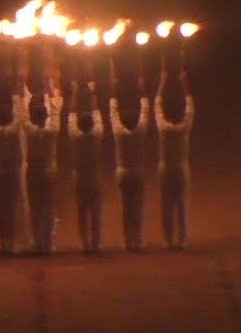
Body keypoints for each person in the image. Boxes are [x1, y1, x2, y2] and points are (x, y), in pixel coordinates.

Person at [0, 73, 28, 255]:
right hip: (11, 169)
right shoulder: (13, 127)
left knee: (0, 207)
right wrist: (17, 90)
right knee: (11, 206)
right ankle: (11, 241)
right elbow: (19, 112)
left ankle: (4, 242)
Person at [111, 67, 150, 252]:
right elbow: (145, 110)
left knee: (127, 207)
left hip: (123, 171)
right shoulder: (140, 130)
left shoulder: (119, 131)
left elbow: (113, 113)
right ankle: (138, 240)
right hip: (137, 170)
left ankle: (128, 241)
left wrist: (114, 89)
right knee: (137, 206)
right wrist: (142, 89)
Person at [24, 77, 63, 255]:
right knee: (48, 208)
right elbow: (55, 111)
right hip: (48, 172)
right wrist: (51, 89)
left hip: (33, 172)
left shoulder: (30, 131)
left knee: (35, 209)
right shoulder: (51, 131)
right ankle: (48, 243)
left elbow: (23, 113)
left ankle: (38, 242)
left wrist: (24, 89)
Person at [156, 69, 194, 250]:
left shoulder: (163, 128)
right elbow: (190, 109)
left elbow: (157, 107)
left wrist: (162, 83)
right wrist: (184, 83)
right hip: (180, 168)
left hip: (166, 168)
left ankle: (168, 239)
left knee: (166, 205)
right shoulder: (184, 127)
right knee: (181, 204)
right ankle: (183, 239)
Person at [68, 80, 105, 253]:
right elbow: (97, 114)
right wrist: (92, 94)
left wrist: (75, 93)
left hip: (80, 179)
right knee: (95, 212)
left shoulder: (75, 137)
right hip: (95, 178)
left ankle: (86, 243)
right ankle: (96, 243)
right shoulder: (97, 135)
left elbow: (72, 114)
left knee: (82, 212)